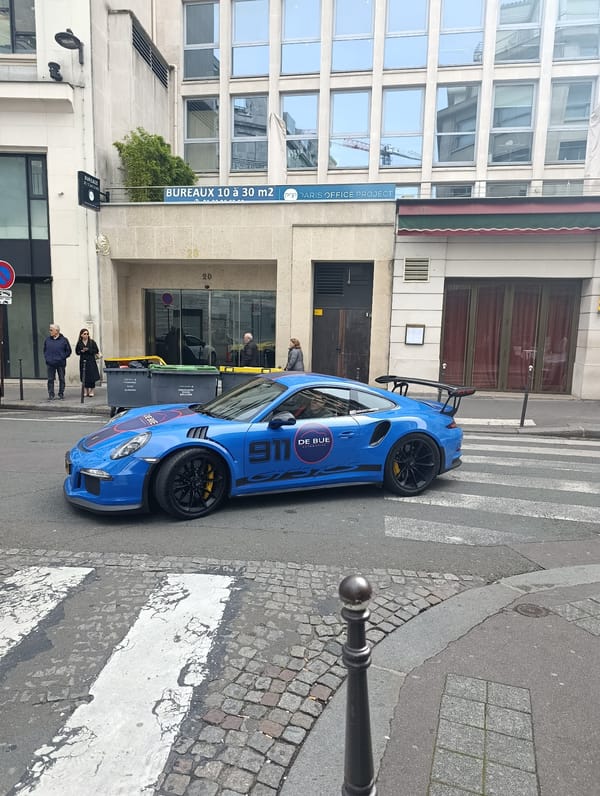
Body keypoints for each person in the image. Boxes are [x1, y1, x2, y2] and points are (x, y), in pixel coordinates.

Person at [43, 323, 72, 400]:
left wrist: (62, 357)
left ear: (57, 331)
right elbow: (45, 350)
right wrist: (47, 358)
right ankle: (51, 394)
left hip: (60, 363)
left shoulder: (64, 340)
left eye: (51, 330)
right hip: (50, 363)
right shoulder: (47, 340)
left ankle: (61, 393)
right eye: (50, 330)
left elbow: (68, 351)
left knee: (61, 379)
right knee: (50, 379)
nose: (50, 331)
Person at [75, 328, 101, 397]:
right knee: (84, 376)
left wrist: (89, 350)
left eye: (87, 334)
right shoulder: (79, 343)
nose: (86, 335)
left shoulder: (92, 342)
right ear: (81, 335)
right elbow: (77, 352)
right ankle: (86, 390)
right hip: (83, 361)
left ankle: (92, 390)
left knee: (91, 376)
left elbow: (96, 350)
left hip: (91, 361)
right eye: (84, 334)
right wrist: (81, 351)